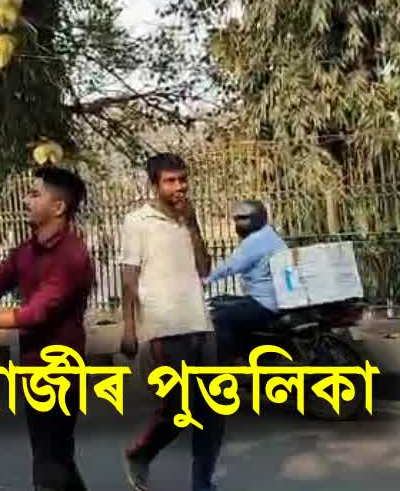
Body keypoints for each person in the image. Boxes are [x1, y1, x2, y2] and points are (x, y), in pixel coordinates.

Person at [0, 167, 94, 491]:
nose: (26, 200)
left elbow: (33, 315)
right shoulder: (26, 251)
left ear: (58, 207)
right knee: (56, 456)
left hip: (60, 369)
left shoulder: (72, 255)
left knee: (49, 459)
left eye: (35, 193)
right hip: (32, 366)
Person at [120, 153, 222, 491]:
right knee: (178, 408)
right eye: (170, 181)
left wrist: (192, 224)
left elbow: (205, 268)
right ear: (155, 184)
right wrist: (130, 329)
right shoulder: (137, 221)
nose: (179, 187)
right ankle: (140, 454)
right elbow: (129, 277)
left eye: (182, 179)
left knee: (212, 412)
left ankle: (202, 485)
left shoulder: (187, 220)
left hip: (200, 323)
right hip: (164, 328)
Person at [207, 201, 286, 361]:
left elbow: (230, 266)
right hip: (274, 299)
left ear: (257, 218)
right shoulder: (269, 234)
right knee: (225, 303)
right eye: (236, 219)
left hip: (264, 303)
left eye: (243, 218)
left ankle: (233, 365)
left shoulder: (255, 241)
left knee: (217, 318)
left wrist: (204, 279)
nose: (238, 224)